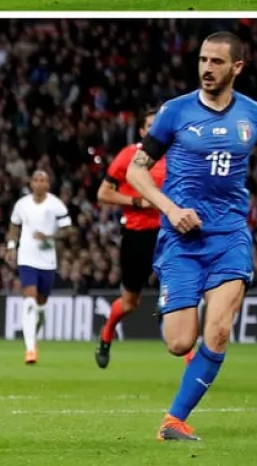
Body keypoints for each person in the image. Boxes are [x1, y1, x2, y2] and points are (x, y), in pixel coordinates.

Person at [124, 31, 257, 443]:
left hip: (230, 238)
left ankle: (174, 421)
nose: (206, 68)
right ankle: (173, 307)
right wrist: (169, 209)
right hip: (181, 242)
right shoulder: (175, 112)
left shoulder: (255, 116)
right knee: (179, 341)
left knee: (219, 331)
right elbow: (137, 171)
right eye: (203, 60)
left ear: (237, 67)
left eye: (217, 62)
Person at [95, 107, 169, 368]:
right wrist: (136, 201)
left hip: (169, 233)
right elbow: (103, 193)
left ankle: (190, 362)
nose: (155, 130)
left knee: (175, 296)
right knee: (130, 303)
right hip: (137, 235)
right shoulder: (129, 156)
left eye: (158, 125)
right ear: (141, 131)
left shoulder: (175, 156)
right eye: (149, 126)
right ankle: (106, 334)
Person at [5, 168, 73, 364]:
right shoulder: (22, 204)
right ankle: (30, 349)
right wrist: (11, 246)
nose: (39, 183)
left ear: (48, 184)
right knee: (29, 299)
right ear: (31, 184)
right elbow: (14, 224)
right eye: (36, 180)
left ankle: (35, 330)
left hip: (47, 260)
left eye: (43, 180)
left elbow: (68, 230)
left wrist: (49, 237)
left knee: (41, 305)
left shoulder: (56, 205)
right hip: (26, 259)